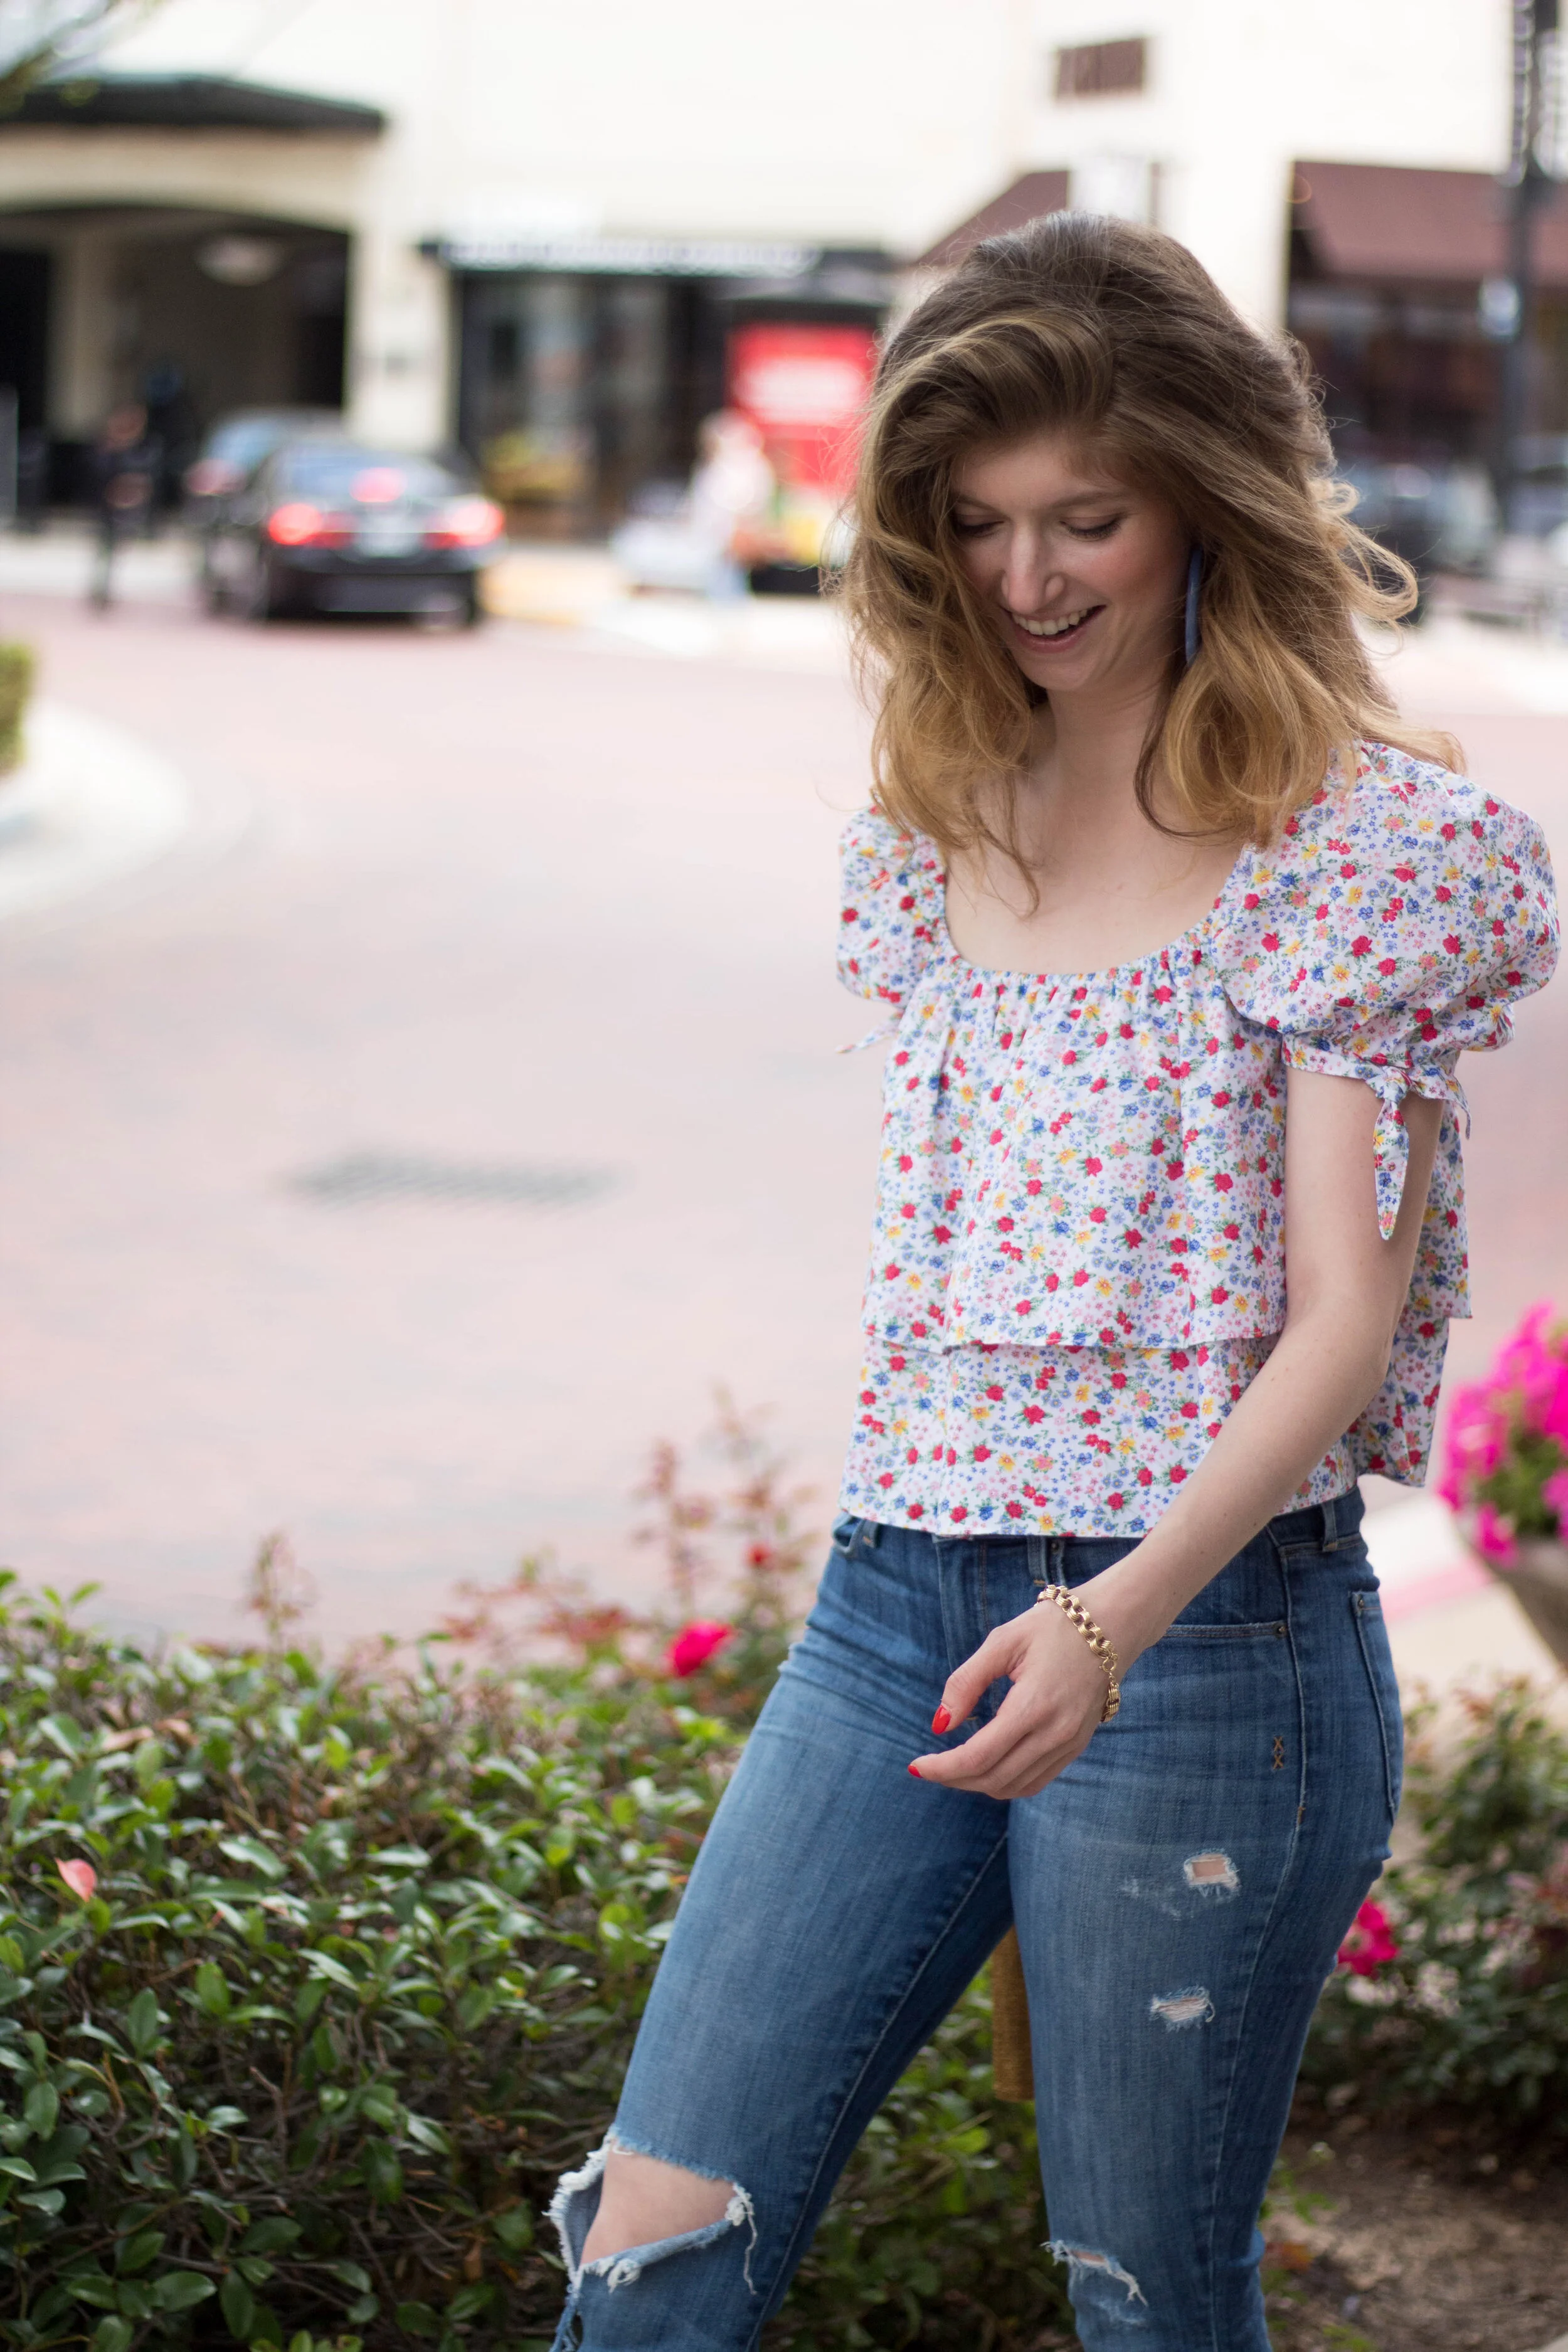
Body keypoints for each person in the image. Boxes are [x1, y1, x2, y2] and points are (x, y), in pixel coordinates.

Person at [547, 215, 1560, 2351]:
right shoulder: (930, 833)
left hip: (1204, 1638)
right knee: (652, 2249)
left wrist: (1109, 1618)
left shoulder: (1349, 849)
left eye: (1086, 517)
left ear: (1203, 491)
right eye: (979, 525)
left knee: (1147, 2293)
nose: (1030, 577)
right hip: (893, 1602)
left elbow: (1341, 1325)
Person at [88, 401, 159, 609]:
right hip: (107, 508)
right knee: (106, 549)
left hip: (128, 508)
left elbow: (146, 477)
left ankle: (107, 590)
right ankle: (101, 590)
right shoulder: (108, 448)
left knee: (116, 550)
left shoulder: (142, 448)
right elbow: (97, 475)